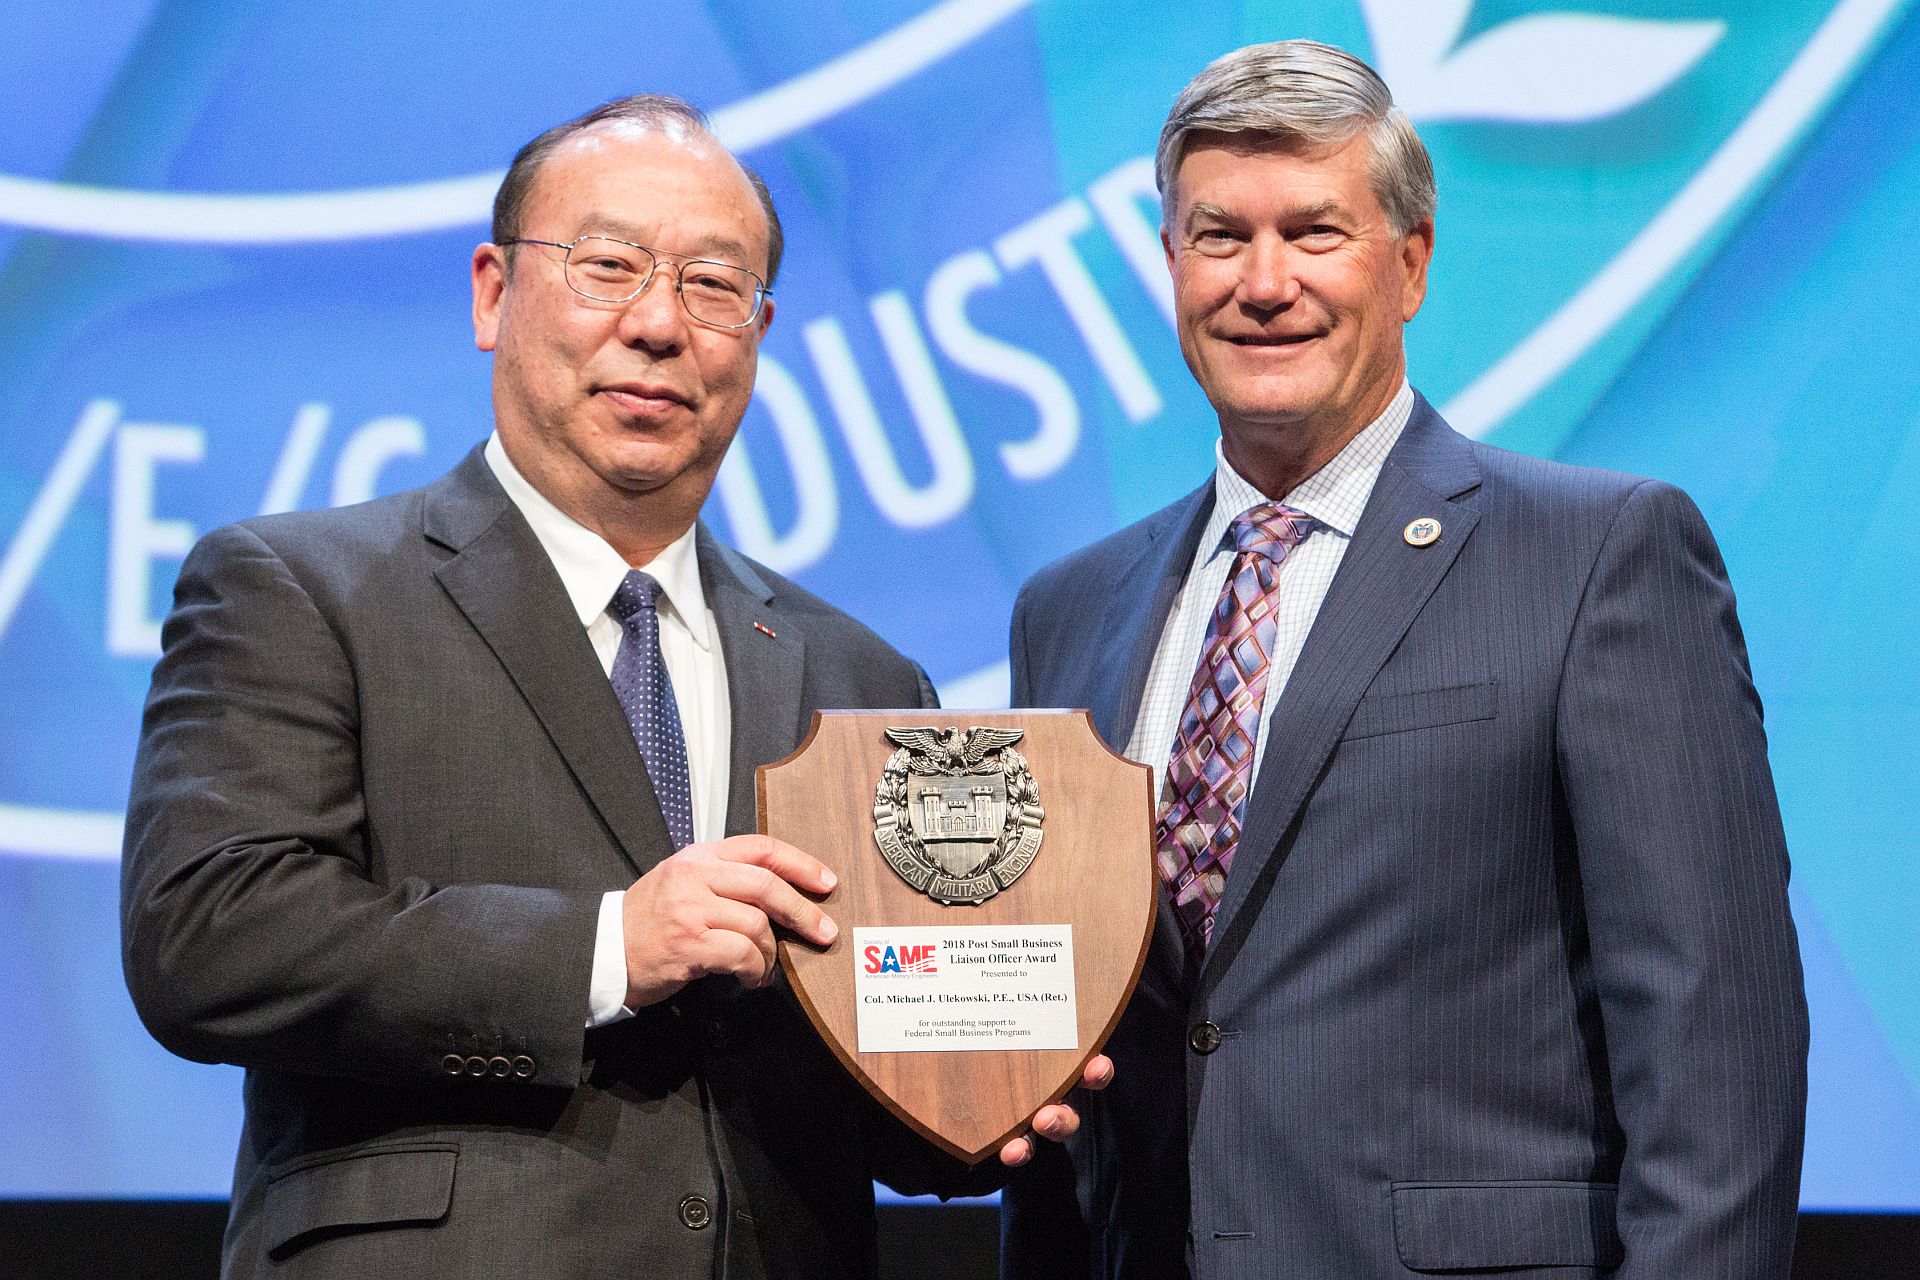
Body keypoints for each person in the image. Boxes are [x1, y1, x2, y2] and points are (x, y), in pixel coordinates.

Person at [120, 94, 1099, 1280]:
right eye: (609, 266)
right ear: (493, 292)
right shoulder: (300, 587)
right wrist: (609, 943)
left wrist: (979, 1100)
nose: (657, 323)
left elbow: (885, 1082)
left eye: (711, 285)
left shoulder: (864, 677)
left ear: (761, 330)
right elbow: (211, 937)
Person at [1001, 40, 1807, 1280]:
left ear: (1411, 263)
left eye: (1316, 233)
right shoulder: (1069, 610)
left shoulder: (1600, 554)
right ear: (1170, 265)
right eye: (1219, 237)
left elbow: (1718, 1040)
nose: (1263, 283)